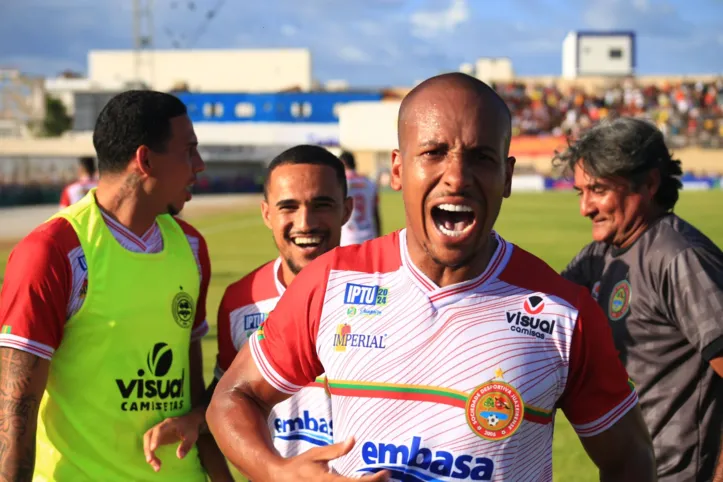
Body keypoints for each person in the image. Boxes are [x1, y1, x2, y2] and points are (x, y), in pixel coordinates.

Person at [205, 73, 656, 482]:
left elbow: (629, 459)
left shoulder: (564, 312)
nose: (456, 178)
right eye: (434, 153)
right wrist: (278, 472)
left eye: (480, 157)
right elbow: (233, 397)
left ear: (507, 176)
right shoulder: (330, 283)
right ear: (398, 170)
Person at [0, 90, 230, 481]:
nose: (200, 165)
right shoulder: (55, 251)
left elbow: (192, 398)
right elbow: (14, 408)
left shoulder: (191, 247)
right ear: (145, 160)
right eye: (188, 151)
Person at [143, 145, 351, 468]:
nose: (305, 222)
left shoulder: (385, 291)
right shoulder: (242, 300)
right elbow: (224, 399)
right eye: (288, 207)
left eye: (321, 204)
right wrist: (194, 420)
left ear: (347, 210)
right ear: (267, 213)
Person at [556, 116, 723, 482]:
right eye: (580, 192)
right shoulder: (597, 257)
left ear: (649, 183)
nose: (585, 208)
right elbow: (540, 316)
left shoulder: (680, 258)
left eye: (598, 190)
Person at [338, 151, 381, 246]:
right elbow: (376, 213)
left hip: (347, 238)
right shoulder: (370, 183)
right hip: (369, 237)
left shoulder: (340, 184)